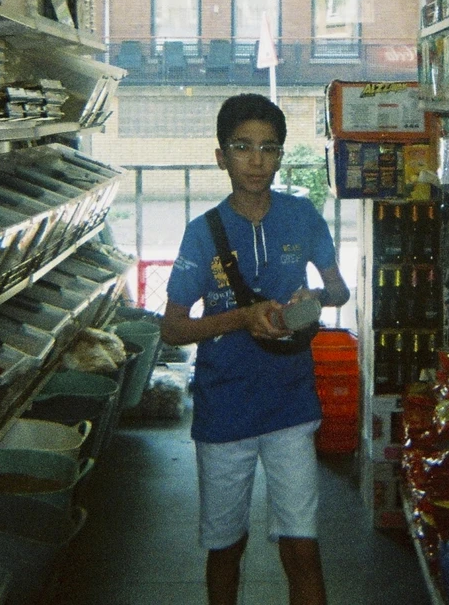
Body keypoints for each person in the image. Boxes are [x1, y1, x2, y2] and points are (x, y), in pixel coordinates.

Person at [161, 93, 350, 605]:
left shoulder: (303, 216)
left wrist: (314, 297)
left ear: (281, 155)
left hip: (291, 403)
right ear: (221, 155)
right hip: (224, 410)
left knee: (303, 548)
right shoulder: (202, 234)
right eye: (242, 147)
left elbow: (339, 290)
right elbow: (173, 329)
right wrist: (241, 318)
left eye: (269, 148)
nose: (256, 160)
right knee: (225, 547)